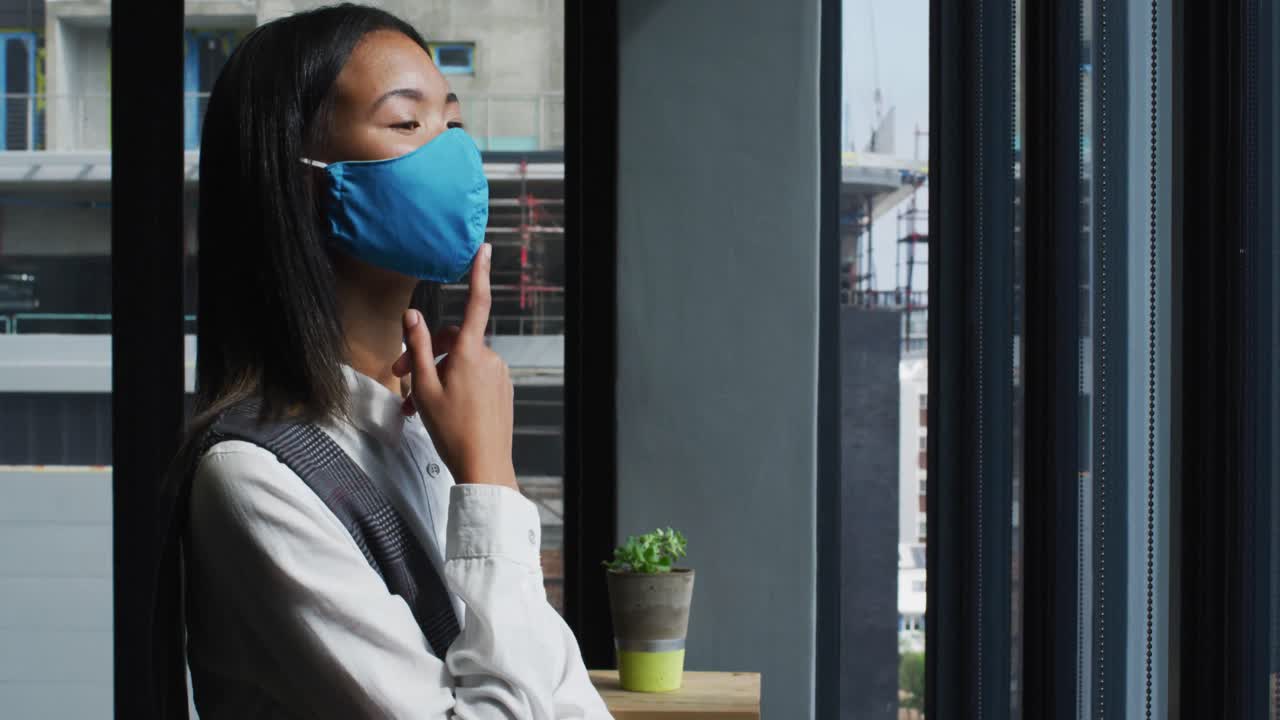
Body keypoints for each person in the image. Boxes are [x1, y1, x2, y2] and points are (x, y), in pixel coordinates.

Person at [170, 4, 611, 718]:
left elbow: (565, 696)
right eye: (408, 123)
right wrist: (492, 482)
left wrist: (477, 471)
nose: (453, 155)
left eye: (455, 124)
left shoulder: (425, 425)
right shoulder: (253, 478)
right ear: (298, 174)